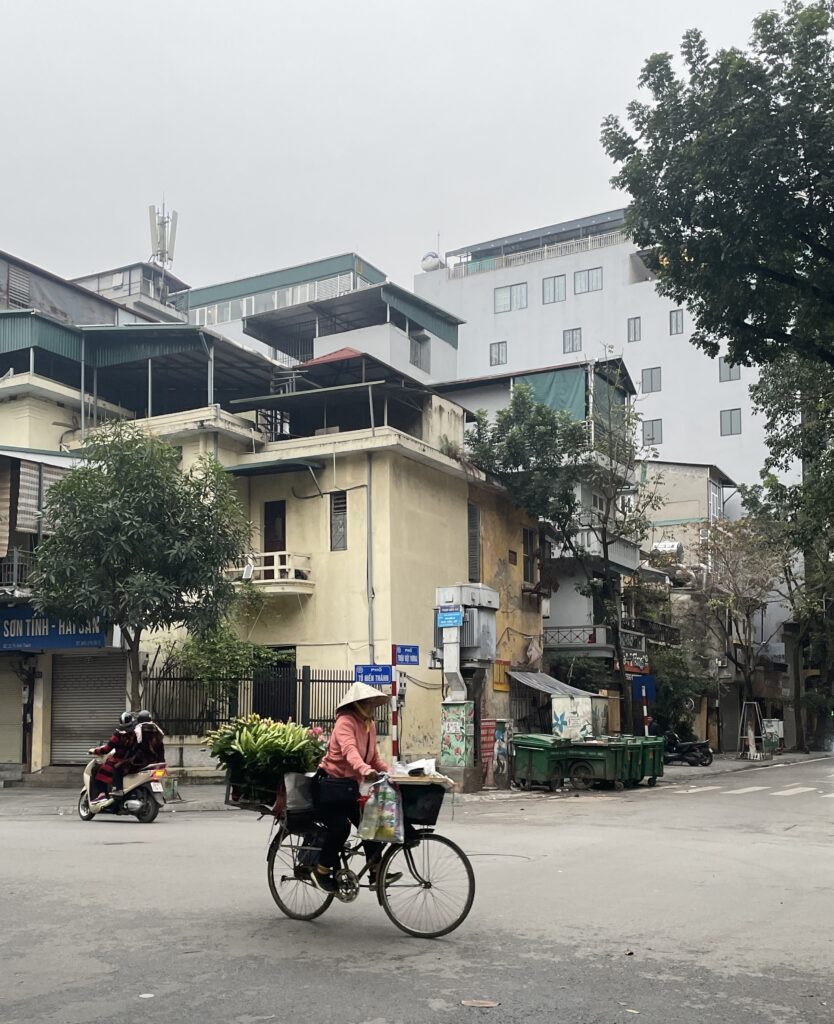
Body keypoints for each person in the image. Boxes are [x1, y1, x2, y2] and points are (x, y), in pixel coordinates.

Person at [311, 682, 396, 894]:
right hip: (329, 787)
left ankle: (377, 872)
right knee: (340, 828)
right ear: (358, 704)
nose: (372, 707)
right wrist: (364, 769)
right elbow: (350, 751)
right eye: (369, 703)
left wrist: (391, 773)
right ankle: (320, 871)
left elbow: (374, 757)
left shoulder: (369, 725)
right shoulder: (345, 722)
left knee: (371, 824)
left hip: (349, 789)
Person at [89, 712, 137, 803]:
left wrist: (95, 751)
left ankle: (101, 794)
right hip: (133, 761)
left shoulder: (118, 735)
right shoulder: (136, 734)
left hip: (119, 762)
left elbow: (106, 749)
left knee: (96, 769)